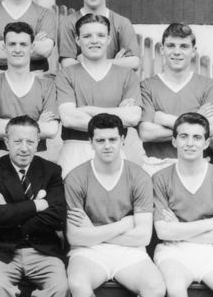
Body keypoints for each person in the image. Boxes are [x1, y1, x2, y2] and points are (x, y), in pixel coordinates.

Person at [64, 113, 165, 297]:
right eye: (100, 140)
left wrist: (93, 232)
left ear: (123, 140)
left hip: (129, 252)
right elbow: (75, 237)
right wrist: (124, 224)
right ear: (91, 142)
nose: (107, 146)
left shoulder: (139, 177)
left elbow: (143, 237)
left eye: (113, 139)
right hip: (88, 252)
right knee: (78, 284)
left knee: (156, 288)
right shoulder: (75, 178)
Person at [153, 112, 213, 297]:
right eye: (183, 136)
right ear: (174, 141)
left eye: (197, 137)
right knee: (175, 290)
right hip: (174, 252)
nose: (190, 143)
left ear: (206, 143)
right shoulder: (160, 178)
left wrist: (180, 229)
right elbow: (164, 232)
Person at [0, 115, 68, 297]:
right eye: (17, 141)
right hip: (1, 251)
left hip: (43, 250)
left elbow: (56, 217)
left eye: (30, 142)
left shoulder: (51, 171)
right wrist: (36, 205)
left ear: (38, 143)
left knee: (59, 287)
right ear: (6, 142)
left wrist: (10, 210)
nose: (24, 148)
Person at [56, 13, 142, 178]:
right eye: (87, 36)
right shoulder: (66, 75)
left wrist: (88, 109)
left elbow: (132, 117)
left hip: (114, 149)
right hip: (75, 150)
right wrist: (116, 114)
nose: (94, 41)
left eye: (101, 35)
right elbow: (69, 118)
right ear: (77, 40)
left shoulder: (127, 75)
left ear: (109, 39)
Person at [138, 23, 213, 174]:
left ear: (193, 51)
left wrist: (163, 119)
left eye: (184, 46)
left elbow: (209, 130)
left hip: (197, 168)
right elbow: (146, 133)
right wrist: (197, 120)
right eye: (171, 46)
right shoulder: (147, 86)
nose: (177, 52)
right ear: (162, 49)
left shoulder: (209, 86)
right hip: (156, 166)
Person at [0, 22, 59, 167]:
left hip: (37, 156)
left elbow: (51, 130)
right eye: (12, 44)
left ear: (32, 47)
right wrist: (36, 124)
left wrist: (3, 123)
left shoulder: (47, 85)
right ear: (4, 48)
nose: (17, 50)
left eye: (23, 44)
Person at [58, 0, 139, 70]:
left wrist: (87, 62)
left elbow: (134, 63)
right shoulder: (68, 23)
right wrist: (116, 63)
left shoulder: (122, 23)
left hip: (113, 84)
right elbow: (67, 64)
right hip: (81, 85)